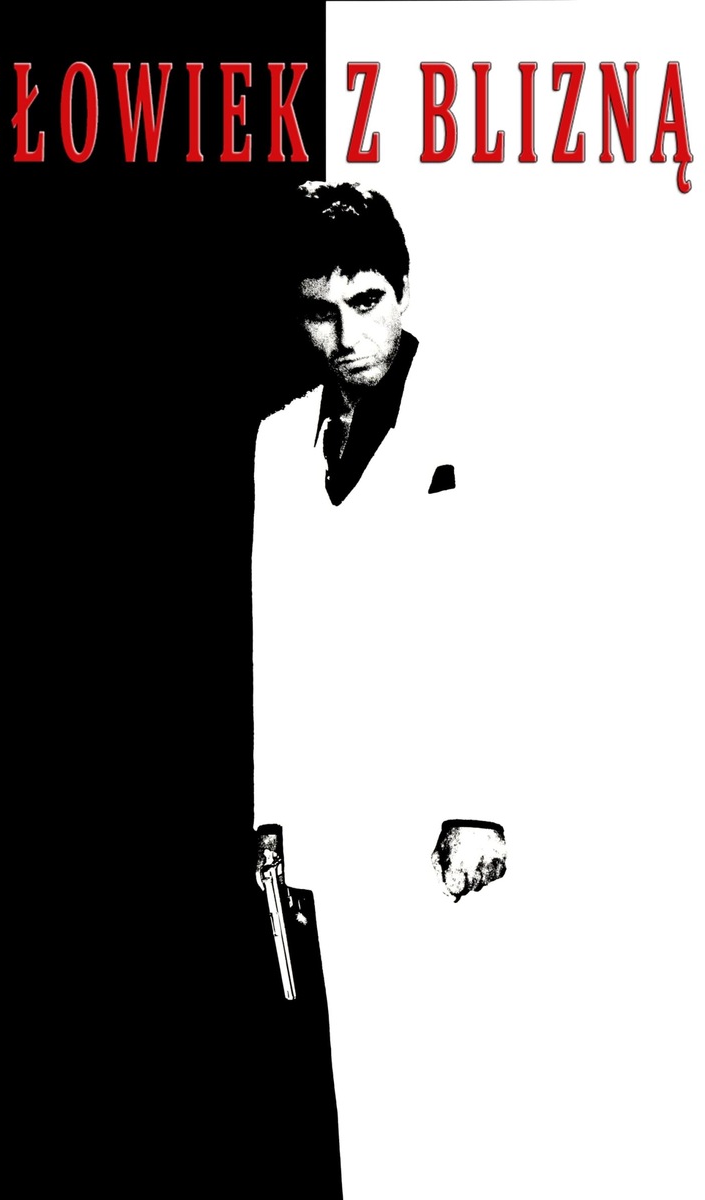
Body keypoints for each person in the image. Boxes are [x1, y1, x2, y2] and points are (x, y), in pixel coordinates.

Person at [253, 183, 509, 1199]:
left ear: (401, 290)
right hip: (324, 814)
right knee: (341, 1098)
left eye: (365, 301)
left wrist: (480, 802)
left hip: (435, 814)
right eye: (320, 311)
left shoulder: (478, 413)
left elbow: (503, 613)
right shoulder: (278, 440)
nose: (346, 334)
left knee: (446, 1094)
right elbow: (271, 629)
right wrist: (269, 816)